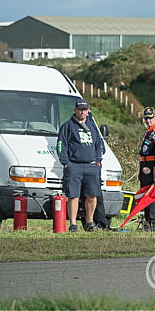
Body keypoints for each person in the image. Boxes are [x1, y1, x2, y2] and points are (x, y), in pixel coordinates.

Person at [56, 99, 104, 232]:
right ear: (75, 110)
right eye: (79, 109)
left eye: (84, 110)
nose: (82, 112)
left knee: (92, 195)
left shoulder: (92, 126)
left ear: (88, 111)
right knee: (73, 196)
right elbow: (61, 145)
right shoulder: (67, 126)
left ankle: (89, 222)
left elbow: (99, 144)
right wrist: (66, 163)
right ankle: (73, 224)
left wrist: (98, 161)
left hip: (91, 166)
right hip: (74, 166)